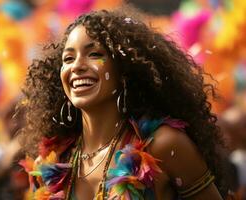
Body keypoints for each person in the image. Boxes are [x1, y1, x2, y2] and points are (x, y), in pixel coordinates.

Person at [18, 7, 226, 200]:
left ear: (124, 69)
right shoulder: (49, 164)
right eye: (69, 58)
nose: (77, 66)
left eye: (95, 54)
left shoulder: (164, 145)